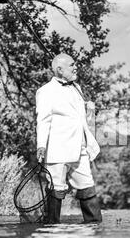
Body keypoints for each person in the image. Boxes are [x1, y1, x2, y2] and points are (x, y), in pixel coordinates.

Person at [36, 53, 102, 224]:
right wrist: (41, 146)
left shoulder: (77, 88)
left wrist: (90, 111)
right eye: (72, 65)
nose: (75, 67)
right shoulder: (45, 91)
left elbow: (81, 119)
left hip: (80, 148)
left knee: (88, 187)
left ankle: (94, 227)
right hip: (58, 150)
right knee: (56, 190)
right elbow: (43, 120)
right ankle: (51, 229)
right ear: (59, 69)